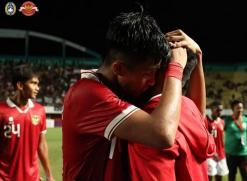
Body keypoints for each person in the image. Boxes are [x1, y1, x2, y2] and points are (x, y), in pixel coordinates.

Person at [62, 10, 188, 181]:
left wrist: (198, 56)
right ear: (119, 69)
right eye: (148, 73)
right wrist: (176, 68)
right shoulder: (89, 95)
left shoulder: (120, 88)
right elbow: (163, 134)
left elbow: (194, 116)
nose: (152, 81)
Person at [128, 29, 215, 181]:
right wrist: (198, 56)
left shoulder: (150, 124)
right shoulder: (189, 107)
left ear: (155, 70)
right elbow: (198, 108)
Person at [0, 66, 55, 181]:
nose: (37, 88)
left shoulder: (40, 111)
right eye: (33, 83)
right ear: (20, 85)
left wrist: (49, 175)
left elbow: (42, 146)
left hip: (32, 178)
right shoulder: (1, 111)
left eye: (38, 84)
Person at [224, 100, 247, 181]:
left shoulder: (246, 120)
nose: (240, 110)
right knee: (231, 176)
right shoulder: (227, 120)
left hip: (244, 154)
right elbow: (221, 132)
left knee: (246, 176)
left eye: (241, 108)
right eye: (238, 108)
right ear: (233, 109)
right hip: (231, 154)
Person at [206, 101, 229, 181]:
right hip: (210, 155)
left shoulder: (222, 122)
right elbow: (205, 139)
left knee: (219, 176)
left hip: (221, 154)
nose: (220, 112)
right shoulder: (206, 120)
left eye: (221, 110)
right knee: (209, 176)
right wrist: (213, 152)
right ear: (212, 109)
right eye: (218, 110)